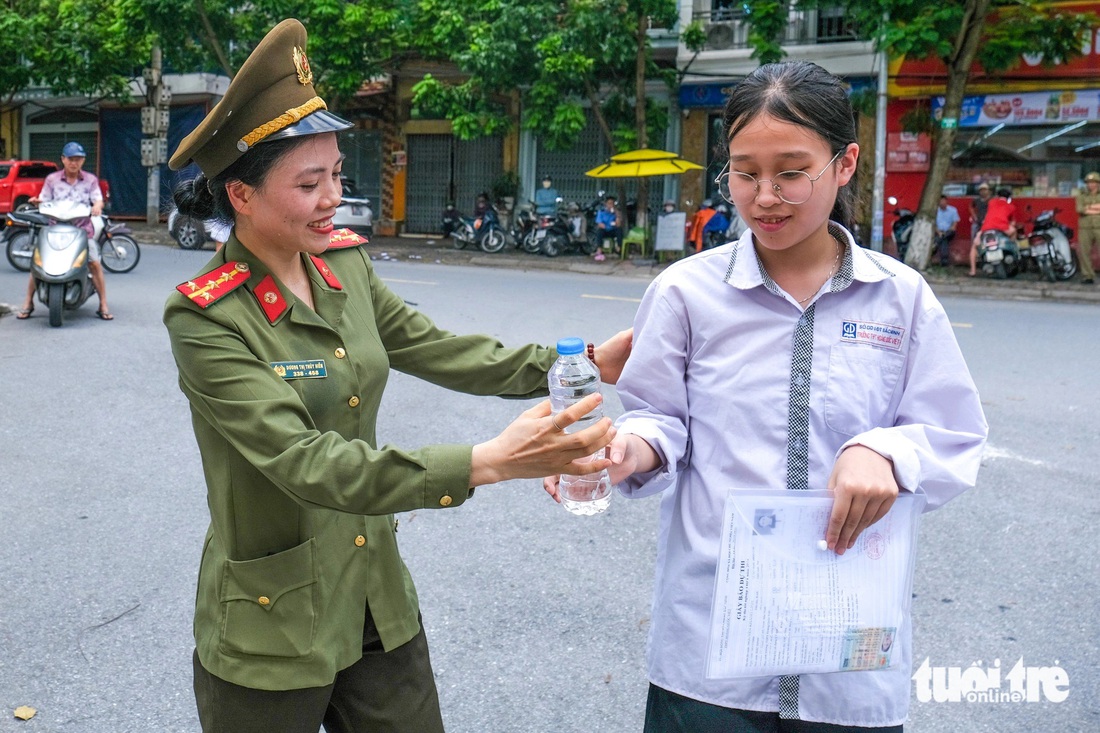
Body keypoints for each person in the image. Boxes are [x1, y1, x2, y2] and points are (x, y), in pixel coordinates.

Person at [162, 19, 631, 732]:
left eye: (338, 177)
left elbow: (435, 346)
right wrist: (488, 462)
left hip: (376, 595)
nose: (333, 198)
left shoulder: (344, 264)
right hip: (272, 619)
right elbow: (306, 462)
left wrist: (579, 362)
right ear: (243, 196)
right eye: (310, 182)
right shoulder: (206, 316)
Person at [548, 61, 987, 732]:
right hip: (709, 655)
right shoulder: (686, 292)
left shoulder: (901, 299)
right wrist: (621, 451)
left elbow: (953, 433)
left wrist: (885, 449)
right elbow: (658, 419)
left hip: (849, 652)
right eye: (744, 172)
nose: (765, 196)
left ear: (845, 165)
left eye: (790, 172)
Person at [16, 141, 112, 320]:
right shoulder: (52, 180)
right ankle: (28, 302)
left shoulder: (90, 180)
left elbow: (98, 199)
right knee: (38, 263)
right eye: (70, 159)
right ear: (63, 159)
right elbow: (44, 199)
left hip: (82, 229)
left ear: (83, 161)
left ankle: (103, 304)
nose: (74, 163)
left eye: (78, 159)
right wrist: (37, 202)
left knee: (94, 263)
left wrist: (97, 207)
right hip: (54, 229)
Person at [969, 186, 1016, 276]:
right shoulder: (1011, 207)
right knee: (1013, 232)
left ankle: (973, 271)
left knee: (974, 246)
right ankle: (1012, 248)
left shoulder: (992, 202)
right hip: (1003, 228)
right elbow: (1013, 221)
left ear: (997, 196)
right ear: (1009, 198)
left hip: (986, 228)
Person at [1073, 172, 1099, 284]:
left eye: (1093, 182)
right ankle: (1088, 275)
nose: (1091, 185)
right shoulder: (1081, 194)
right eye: (1089, 183)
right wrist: (1097, 208)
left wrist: (1087, 208)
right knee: (1084, 252)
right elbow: (1079, 209)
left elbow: (1084, 209)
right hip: (1085, 227)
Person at [593, 194, 622, 261]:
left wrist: (616, 214)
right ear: (606, 204)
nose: (610, 205)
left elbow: (618, 224)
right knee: (600, 231)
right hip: (605, 230)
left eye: (612, 203)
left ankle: (619, 248)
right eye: (609, 203)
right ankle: (599, 249)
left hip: (613, 230)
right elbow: (600, 224)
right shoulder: (601, 212)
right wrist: (608, 225)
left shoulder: (615, 212)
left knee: (619, 230)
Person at [934, 195, 960, 267]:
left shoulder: (953, 210)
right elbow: (934, 224)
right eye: (940, 201)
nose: (942, 202)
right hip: (938, 231)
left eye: (943, 201)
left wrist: (946, 232)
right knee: (943, 240)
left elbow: (954, 224)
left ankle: (934, 249)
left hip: (949, 232)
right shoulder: (935, 211)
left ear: (946, 201)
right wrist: (939, 232)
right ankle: (944, 260)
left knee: (944, 237)